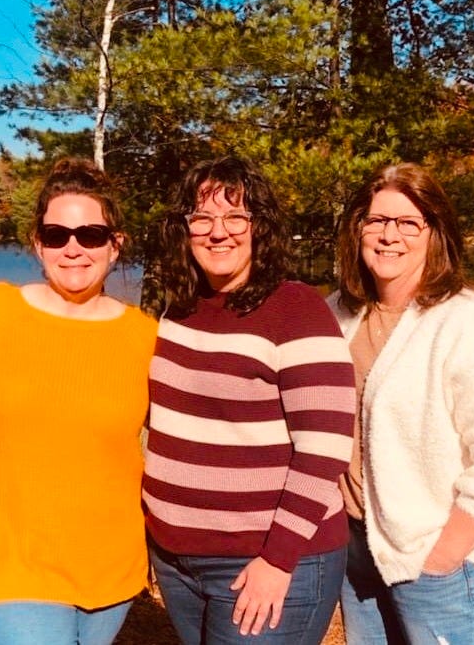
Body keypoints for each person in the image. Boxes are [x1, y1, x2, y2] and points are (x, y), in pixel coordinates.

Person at [0, 158, 158, 645]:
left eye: (92, 235)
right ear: (38, 243)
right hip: (3, 563)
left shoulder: (145, 336)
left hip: (109, 568)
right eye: (57, 235)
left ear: (115, 243)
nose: (74, 248)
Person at [142, 156, 356, 645]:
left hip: (267, 561)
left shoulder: (295, 309)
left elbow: (323, 451)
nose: (219, 232)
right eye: (203, 218)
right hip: (176, 560)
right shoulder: (182, 308)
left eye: (236, 217)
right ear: (185, 229)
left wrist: (278, 559)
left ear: (260, 227)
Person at [327, 162, 474, 644]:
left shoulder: (465, 321)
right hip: (358, 550)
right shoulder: (339, 312)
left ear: (434, 234)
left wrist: (444, 553)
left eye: (408, 223)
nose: (389, 236)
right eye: (377, 220)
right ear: (358, 227)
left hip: (438, 559)